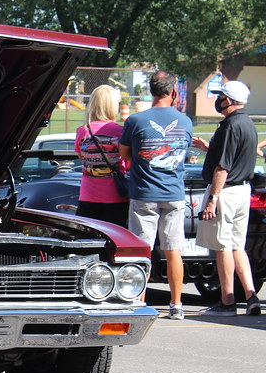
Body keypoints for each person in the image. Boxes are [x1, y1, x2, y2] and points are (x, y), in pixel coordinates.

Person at [119, 70, 193, 320]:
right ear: (173, 92)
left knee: (142, 249)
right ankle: (176, 303)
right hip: (173, 193)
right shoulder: (185, 121)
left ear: (151, 91)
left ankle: (139, 300)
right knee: (174, 250)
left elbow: (125, 154)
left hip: (144, 193)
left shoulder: (135, 120)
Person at [190, 80, 260, 316]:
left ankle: (227, 301)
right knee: (237, 246)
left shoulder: (230, 125)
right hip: (243, 190)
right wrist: (209, 148)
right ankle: (251, 296)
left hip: (227, 191)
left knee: (223, 248)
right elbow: (234, 155)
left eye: (221, 96)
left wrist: (212, 199)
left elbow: (223, 167)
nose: (218, 100)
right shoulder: (248, 123)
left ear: (228, 100)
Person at [75, 84, 128, 228]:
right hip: (115, 196)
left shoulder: (82, 131)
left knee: (88, 240)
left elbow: (82, 159)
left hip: (87, 195)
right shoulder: (120, 131)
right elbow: (128, 160)